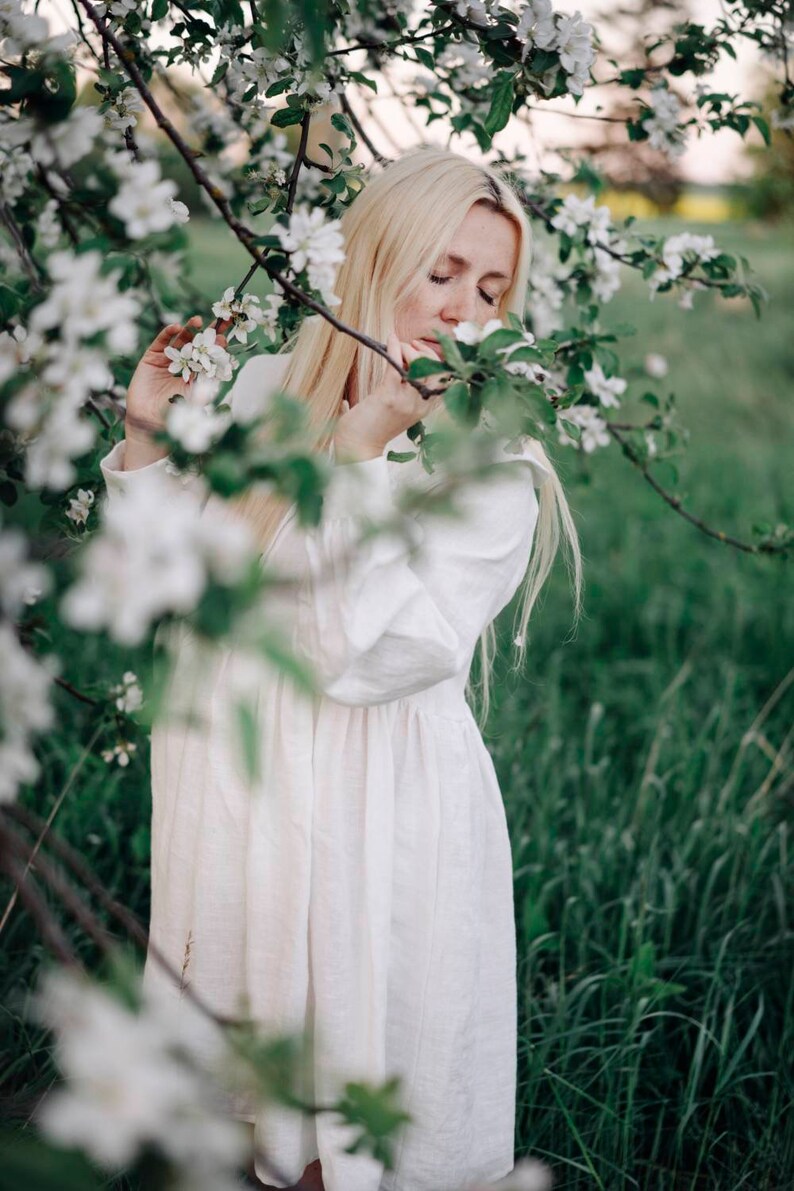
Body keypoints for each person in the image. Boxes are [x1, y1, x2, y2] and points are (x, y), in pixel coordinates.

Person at [100, 147, 582, 1191]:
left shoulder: (493, 468)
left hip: (376, 810)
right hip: (236, 794)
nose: (462, 309)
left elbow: (364, 656)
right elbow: (166, 580)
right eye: (441, 270)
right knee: (230, 1101)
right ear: (370, 261)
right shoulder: (272, 393)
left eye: (491, 289)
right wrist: (147, 431)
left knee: (351, 1106)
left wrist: (362, 454)